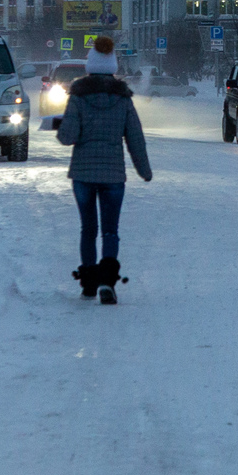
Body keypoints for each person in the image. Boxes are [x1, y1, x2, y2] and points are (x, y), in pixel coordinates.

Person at [58, 37, 151, 305]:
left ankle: (88, 283)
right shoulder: (123, 99)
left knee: (88, 229)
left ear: (89, 67)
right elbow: (135, 138)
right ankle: (107, 283)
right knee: (110, 230)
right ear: (112, 67)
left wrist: (64, 125)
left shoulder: (77, 97)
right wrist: (144, 170)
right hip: (113, 176)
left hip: (83, 175)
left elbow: (67, 137)